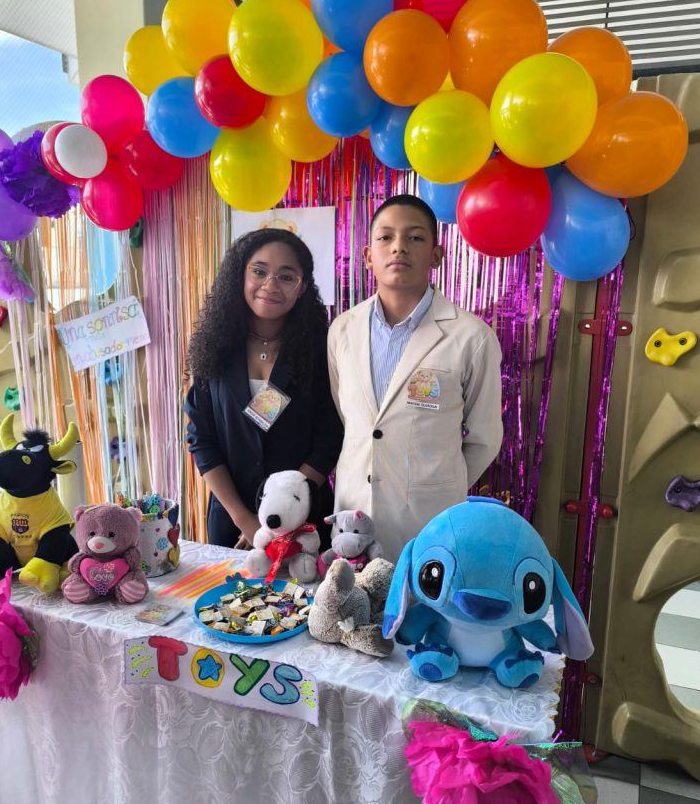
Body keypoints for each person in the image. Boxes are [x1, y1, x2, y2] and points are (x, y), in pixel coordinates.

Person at [327, 193, 503, 563]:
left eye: (415, 237)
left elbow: (484, 439)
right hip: (353, 519)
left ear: (436, 256)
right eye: (386, 237)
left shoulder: (471, 337)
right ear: (367, 256)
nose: (399, 247)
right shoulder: (342, 329)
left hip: (428, 519)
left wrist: (437, 486)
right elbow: (353, 419)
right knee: (352, 599)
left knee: (422, 597)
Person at [185, 228, 343, 550]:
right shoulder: (214, 348)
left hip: (304, 520)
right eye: (259, 271)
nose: (270, 285)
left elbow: (329, 438)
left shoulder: (321, 349)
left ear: (302, 287)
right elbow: (202, 440)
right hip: (232, 523)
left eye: (286, 277)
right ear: (240, 276)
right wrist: (246, 520)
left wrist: (282, 512)